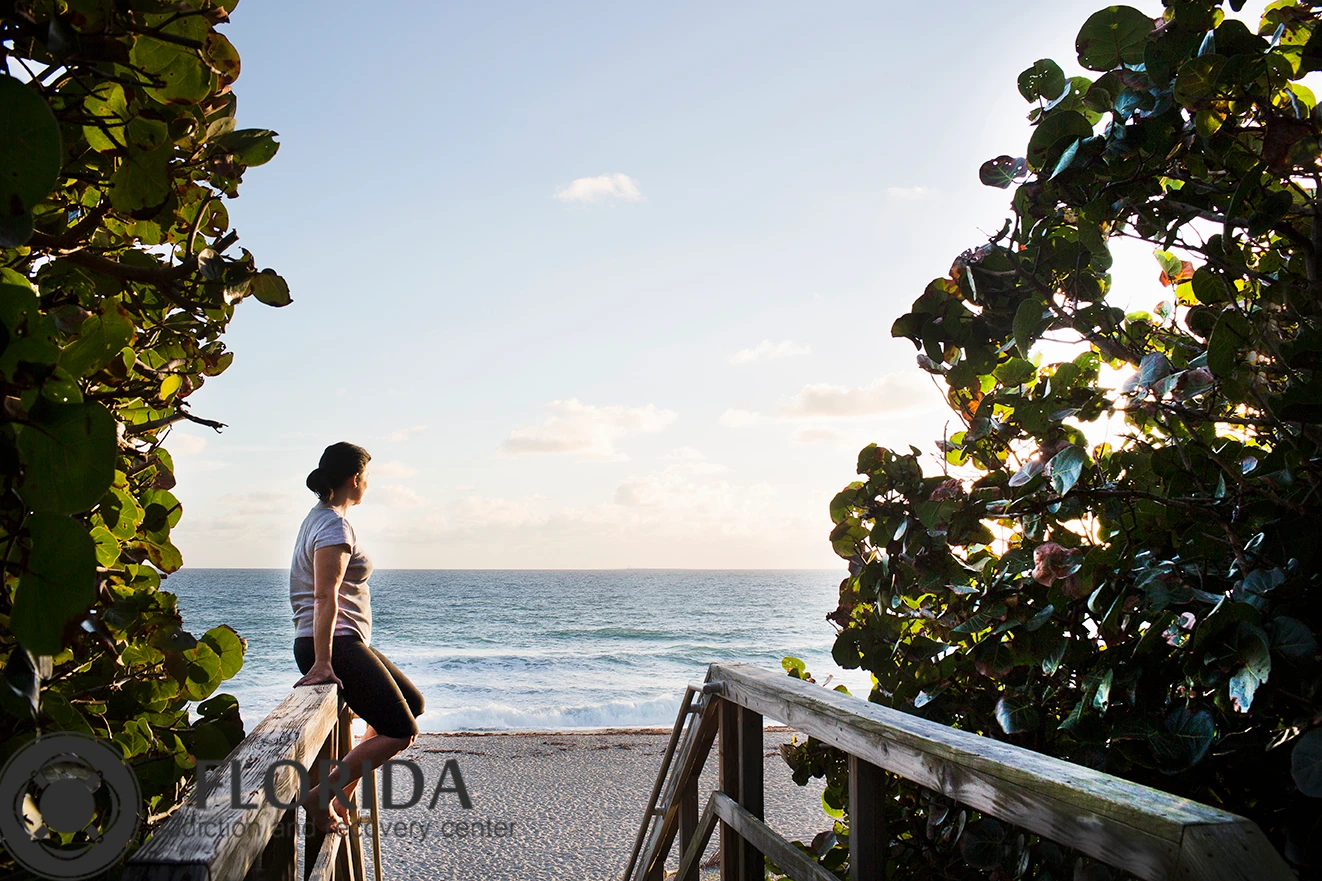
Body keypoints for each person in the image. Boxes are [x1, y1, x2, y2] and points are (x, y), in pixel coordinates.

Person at [290, 441, 424, 831]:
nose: (367, 484)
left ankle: (340, 793)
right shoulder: (334, 524)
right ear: (355, 478)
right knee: (401, 731)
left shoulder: (319, 518)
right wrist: (322, 662)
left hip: (345, 643)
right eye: (367, 477)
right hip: (335, 646)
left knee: (412, 704)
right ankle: (320, 797)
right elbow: (323, 595)